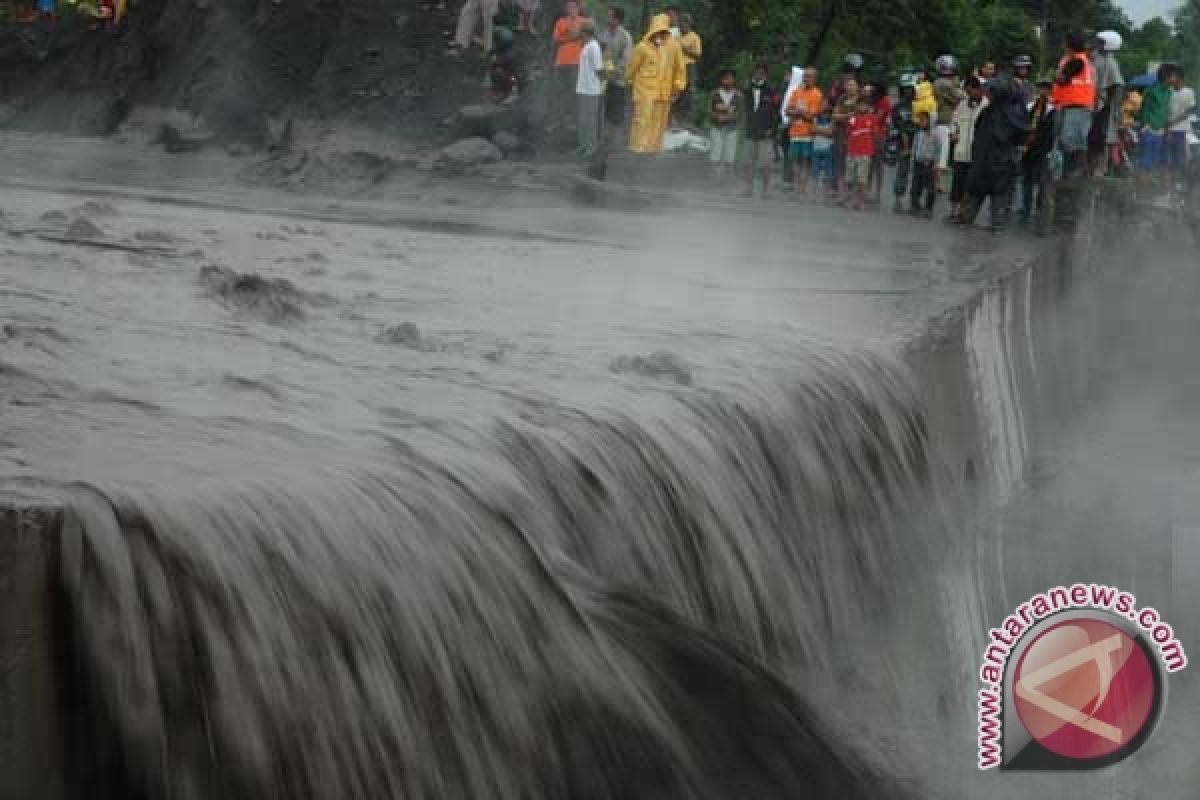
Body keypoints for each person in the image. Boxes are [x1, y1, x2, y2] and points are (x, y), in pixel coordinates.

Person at [955, 77, 1029, 231]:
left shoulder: (1010, 115)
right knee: (974, 195)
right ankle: (966, 219)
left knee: (998, 200)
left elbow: (1019, 137)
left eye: (990, 92)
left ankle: (996, 225)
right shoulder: (989, 111)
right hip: (984, 161)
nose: (987, 94)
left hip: (999, 163)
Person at [626, 14, 685, 153]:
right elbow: (631, 69)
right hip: (644, 92)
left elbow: (680, 70)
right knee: (642, 120)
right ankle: (637, 149)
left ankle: (653, 150)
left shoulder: (674, 46)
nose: (659, 33)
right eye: (657, 30)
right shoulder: (642, 47)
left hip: (664, 92)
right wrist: (629, 83)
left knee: (659, 124)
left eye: (663, 30)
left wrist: (677, 87)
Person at [949, 76, 987, 220]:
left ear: (978, 89)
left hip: (975, 154)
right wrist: (953, 133)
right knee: (957, 183)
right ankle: (954, 212)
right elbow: (954, 122)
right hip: (960, 152)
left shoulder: (986, 106)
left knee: (970, 185)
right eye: (967, 91)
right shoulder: (962, 105)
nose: (968, 94)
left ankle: (965, 214)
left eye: (970, 91)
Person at [1021, 73, 1056, 226]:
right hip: (1029, 148)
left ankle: (1038, 208)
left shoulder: (1053, 109)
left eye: (1046, 88)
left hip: (1044, 148)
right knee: (1027, 179)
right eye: (1041, 87)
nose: (1043, 91)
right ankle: (1026, 207)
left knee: (1042, 180)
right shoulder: (1030, 106)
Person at [827, 54, 865, 195]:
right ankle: (837, 186)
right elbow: (832, 103)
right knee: (840, 158)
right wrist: (844, 115)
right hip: (841, 127)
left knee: (852, 160)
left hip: (854, 131)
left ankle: (849, 190)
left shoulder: (861, 93)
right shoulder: (839, 86)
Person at [1088, 31, 1124, 176]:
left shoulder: (1110, 63)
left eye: (1100, 42)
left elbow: (1117, 86)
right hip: (1092, 105)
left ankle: (1098, 173)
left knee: (1101, 143)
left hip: (1103, 108)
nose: (1097, 43)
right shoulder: (1095, 58)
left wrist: (1112, 107)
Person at [741, 62, 779, 197]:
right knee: (747, 162)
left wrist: (773, 129)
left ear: (766, 74)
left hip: (766, 131)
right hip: (750, 130)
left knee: (765, 163)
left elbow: (776, 111)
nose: (759, 74)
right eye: (757, 71)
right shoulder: (746, 87)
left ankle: (766, 189)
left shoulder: (771, 89)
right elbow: (742, 108)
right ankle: (747, 188)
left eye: (762, 72)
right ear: (754, 72)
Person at [785, 67, 824, 198]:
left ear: (815, 79)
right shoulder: (797, 91)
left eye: (809, 76)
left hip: (807, 133)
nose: (806, 79)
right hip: (794, 132)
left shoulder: (817, 94)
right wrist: (798, 112)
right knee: (795, 160)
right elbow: (787, 110)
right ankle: (796, 189)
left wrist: (798, 112)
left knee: (805, 162)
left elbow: (811, 115)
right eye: (805, 76)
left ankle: (803, 189)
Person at [552, 1, 591, 130]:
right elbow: (556, 39)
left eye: (574, 7)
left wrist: (569, 35)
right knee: (559, 92)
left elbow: (587, 39)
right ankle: (560, 120)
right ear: (566, 8)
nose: (571, 9)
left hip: (577, 62)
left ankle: (575, 121)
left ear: (578, 8)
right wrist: (571, 37)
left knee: (575, 92)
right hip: (560, 62)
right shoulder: (560, 21)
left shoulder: (585, 22)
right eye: (569, 7)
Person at [597, 7, 633, 133]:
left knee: (617, 113)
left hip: (619, 80)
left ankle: (616, 145)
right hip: (605, 79)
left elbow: (626, 60)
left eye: (610, 16)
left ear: (617, 20)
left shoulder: (625, 36)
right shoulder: (604, 33)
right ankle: (606, 140)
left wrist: (613, 71)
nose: (607, 19)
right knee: (605, 111)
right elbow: (602, 53)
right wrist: (605, 71)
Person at [933, 54, 966, 192]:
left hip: (943, 120)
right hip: (943, 121)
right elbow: (962, 96)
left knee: (940, 154)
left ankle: (937, 182)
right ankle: (938, 183)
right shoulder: (945, 83)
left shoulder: (938, 82)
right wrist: (958, 85)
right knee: (942, 155)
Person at [1136, 65, 1173, 186]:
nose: (1175, 79)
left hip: (1160, 130)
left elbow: (1166, 112)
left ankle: (1148, 187)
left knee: (1154, 160)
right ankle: (1141, 186)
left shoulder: (1168, 92)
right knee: (1144, 160)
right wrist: (1144, 126)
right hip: (1148, 129)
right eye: (1173, 76)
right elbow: (1143, 110)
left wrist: (1166, 130)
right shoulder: (1151, 91)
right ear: (1167, 77)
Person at [575, 19, 606, 158]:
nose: (579, 33)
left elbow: (599, 69)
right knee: (582, 120)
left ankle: (591, 148)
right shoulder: (587, 45)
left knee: (590, 121)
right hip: (583, 89)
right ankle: (583, 146)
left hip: (591, 91)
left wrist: (603, 83)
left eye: (581, 30)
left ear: (584, 32)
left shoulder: (594, 46)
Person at [845, 96, 879, 210]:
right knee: (850, 177)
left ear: (869, 107)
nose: (862, 107)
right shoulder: (853, 117)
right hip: (852, 151)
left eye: (865, 105)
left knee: (862, 178)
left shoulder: (872, 118)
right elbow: (848, 131)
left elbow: (875, 134)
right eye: (860, 104)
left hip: (865, 152)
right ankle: (851, 198)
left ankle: (860, 201)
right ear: (857, 105)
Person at [891, 74, 918, 212]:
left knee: (919, 173)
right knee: (903, 171)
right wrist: (906, 146)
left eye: (911, 88)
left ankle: (915, 201)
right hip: (904, 143)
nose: (908, 91)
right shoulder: (898, 107)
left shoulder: (920, 104)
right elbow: (900, 127)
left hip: (920, 143)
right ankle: (899, 198)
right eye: (905, 88)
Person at [1166, 66, 1195, 193]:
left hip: (1182, 131)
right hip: (1168, 130)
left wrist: (1174, 121)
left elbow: (1189, 111)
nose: (1171, 79)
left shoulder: (1189, 92)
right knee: (1168, 160)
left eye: (1173, 76)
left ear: (1180, 78)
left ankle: (1180, 184)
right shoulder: (1168, 91)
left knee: (1181, 160)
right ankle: (1168, 186)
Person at [709, 68, 742, 177]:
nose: (727, 80)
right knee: (716, 153)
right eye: (725, 78)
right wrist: (717, 116)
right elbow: (709, 109)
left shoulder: (738, 95)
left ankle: (728, 177)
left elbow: (740, 112)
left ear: (734, 80)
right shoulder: (715, 93)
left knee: (730, 154)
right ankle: (715, 177)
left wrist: (728, 117)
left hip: (732, 128)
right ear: (721, 79)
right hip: (716, 127)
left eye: (730, 78)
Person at [673, 13, 702, 126]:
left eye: (685, 22)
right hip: (675, 67)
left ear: (689, 24)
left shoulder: (694, 37)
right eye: (681, 22)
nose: (682, 25)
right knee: (675, 93)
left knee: (687, 93)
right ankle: (673, 119)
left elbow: (697, 55)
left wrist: (684, 50)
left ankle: (684, 120)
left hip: (688, 67)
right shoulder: (675, 36)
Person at [910, 111, 939, 217]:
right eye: (920, 120)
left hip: (929, 164)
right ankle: (915, 205)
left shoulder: (935, 135)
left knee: (931, 188)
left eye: (924, 120)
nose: (922, 123)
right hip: (918, 163)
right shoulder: (918, 134)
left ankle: (928, 208)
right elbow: (914, 147)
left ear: (930, 121)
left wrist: (936, 164)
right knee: (915, 187)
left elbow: (938, 150)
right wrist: (912, 161)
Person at [811, 110, 835, 195]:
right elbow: (813, 130)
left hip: (827, 148)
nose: (824, 115)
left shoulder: (832, 121)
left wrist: (818, 130)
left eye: (827, 113)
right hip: (816, 148)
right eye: (823, 113)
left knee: (828, 171)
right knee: (815, 171)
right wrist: (824, 132)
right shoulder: (815, 119)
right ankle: (814, 191)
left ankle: (826, 192)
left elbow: (830, 132)